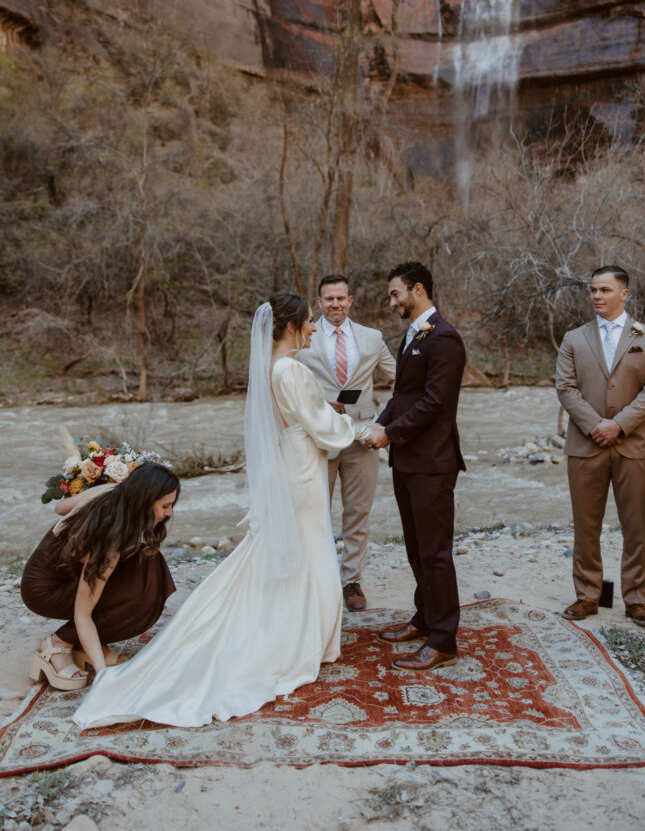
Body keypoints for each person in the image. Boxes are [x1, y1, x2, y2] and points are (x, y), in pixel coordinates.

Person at [73, 292, 361, 729]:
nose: (315, 327)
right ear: (289, 327)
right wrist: (358, 428)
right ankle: (303, 645)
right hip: (302, 471)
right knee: (312, 551)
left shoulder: (267, 369)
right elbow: (323, 426)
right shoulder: (291, 370)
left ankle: (298, 635)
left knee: (291, 554)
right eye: (308, 321)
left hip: (288, 467)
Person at [364, 262, 466, 672]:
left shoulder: (444, 339)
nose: (392, 302)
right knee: (416, 548)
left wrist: (389, 434)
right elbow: (405, 395)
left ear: (417, 290)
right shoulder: (414, 334)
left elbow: (435, 403)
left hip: (433, 462)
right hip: (408, 460)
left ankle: (444, 640)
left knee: (435, 552)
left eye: (395, 294)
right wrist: (379, 422)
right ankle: (425, 619)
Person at [556, 265, 645, 627]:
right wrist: (595, 425)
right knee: (585, 526)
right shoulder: (574, 338)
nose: (596, 296)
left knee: (636, 526)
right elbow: (565, 388)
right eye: (593, 290)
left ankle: (636, 599)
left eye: (605, 290)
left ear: (624, 294)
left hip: (634, 446)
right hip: (585, 446)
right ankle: (587, 596)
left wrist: (618, 425)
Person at [21, 463, 179, 690]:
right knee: (145, 594)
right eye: (165, 505)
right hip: (44, 590)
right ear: (145, 500)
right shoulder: (108, 544)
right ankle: (57, 644)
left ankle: (83, 645)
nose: (169, 513)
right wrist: (103, 676)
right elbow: (82, 614)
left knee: (150, 564)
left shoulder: (113, 492)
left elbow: (61, 509)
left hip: (55, 573)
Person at [297, 274, 395, 611]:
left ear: (350, 300)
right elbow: (287, 383)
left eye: (341, 298)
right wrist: (314, 406)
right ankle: (319, 579)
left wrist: (387, 423)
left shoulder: (372, 338)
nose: (335, 304)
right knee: (314, 512)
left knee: (358, 513)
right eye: (329, 299)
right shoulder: (304, 337)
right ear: (320, 302)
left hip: (363, 438)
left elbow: (400, 378)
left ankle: (352, 581)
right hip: (318, 439)